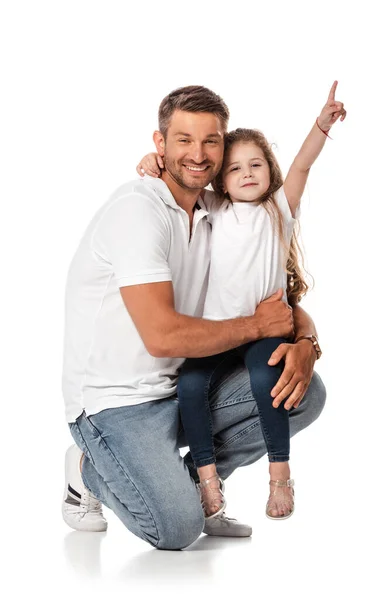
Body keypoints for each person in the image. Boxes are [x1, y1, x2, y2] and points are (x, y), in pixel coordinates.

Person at [62, 85, 327, 550]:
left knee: (301, 391)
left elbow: (265, 296)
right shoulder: (138, 211)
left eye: (211, 141)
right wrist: (258, 328)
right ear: (160, 145)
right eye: (183, 139)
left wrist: (306, 341)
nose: (198, 154)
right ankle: (89, 468)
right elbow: (164, 337)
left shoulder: (215, 211)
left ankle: (198, 488)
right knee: (177, 531)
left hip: (177, 389)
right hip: (115, 405)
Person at [136, 82, 346, 520]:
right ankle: (207, 478)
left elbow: (303, 167)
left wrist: (320, 127)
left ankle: (279, 474)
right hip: (218, 329)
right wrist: (152, 163)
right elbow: (179, 182)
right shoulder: (215, 207)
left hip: (265, 331)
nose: (247, 173)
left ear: (269, 170)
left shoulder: (278, 210)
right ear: (221, 181)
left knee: (266, 379)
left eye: (255, 164)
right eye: (234, 169)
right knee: (190, 388)